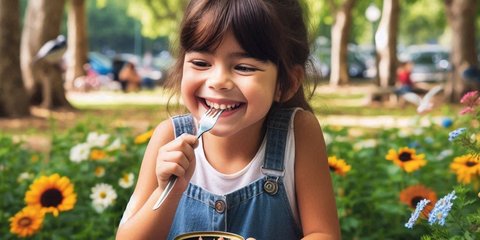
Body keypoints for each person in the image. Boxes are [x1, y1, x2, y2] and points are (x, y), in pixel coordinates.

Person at [116, 0, 340, 239]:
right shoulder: (168, 136)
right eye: (201, 63)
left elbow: (323, 233)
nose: (218, 81)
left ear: (286, 83)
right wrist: (167, 191)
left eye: (244, 67)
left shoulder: (298, 134)